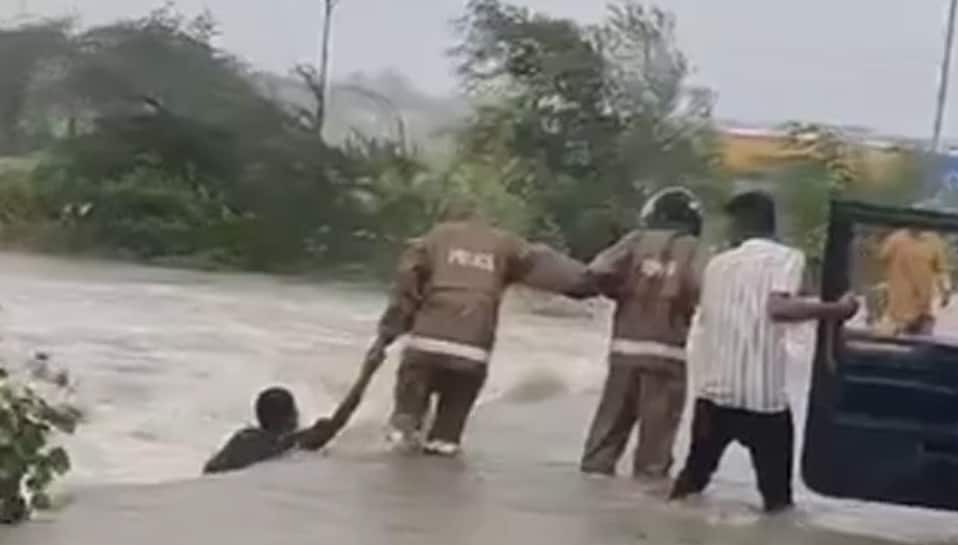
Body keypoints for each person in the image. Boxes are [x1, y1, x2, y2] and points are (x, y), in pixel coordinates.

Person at [669, 191, 858, 513]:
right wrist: (837, 310)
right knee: (778, 503)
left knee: (688, 486)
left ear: (741, 225)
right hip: (764, 400)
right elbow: (778, 307)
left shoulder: (717, 265)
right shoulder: (787, 258)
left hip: (714, 395)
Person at [371, 197, 591, 457]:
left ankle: (399, 462)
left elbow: (405, 294)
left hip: (425, 346)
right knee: (446, 439)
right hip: (472, 352)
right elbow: (561, 275)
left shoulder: (431, 240)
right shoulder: (506, 244)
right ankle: (442, 458)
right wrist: (598, 282)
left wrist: (386, 336)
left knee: (404, 425)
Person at [579, 187, 705, 480]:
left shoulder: (634, 241)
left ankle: (592, 497)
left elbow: (596, 271)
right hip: (667, 357)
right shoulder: (696, 249)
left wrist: (619, 290)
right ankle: (644, 512)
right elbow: (705, 290)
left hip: (624, 353)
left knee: (603, 444)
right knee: (654, 458)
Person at [203, 347, 384, 475]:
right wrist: (367, 373)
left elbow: (211, 469)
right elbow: (340, 419)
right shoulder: (291, 443)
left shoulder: (242, 438)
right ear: (290, 418)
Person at [878, 227, 952, 336]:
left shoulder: (933, 241)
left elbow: (941, 270)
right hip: (898, 307)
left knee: (922, 345)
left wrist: (946, 290)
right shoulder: (895, 240)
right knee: (886, 341)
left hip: (925, 308)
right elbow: (882, 260)